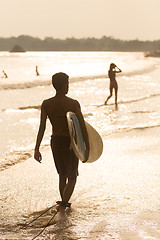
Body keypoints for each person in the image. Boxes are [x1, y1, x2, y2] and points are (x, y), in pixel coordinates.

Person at [34, 72, 89, 214]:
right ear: (65, 85)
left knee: (62, 175)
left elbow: (42, 127)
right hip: (70, 142)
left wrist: (37, 148)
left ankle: (63, 204)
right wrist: (87, 147)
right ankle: (63, 205)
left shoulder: (46, 104)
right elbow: (82, 126)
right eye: (68, 83)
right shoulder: (73, 103)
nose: (68, 86)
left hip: (56, 141)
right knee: (73, 176)